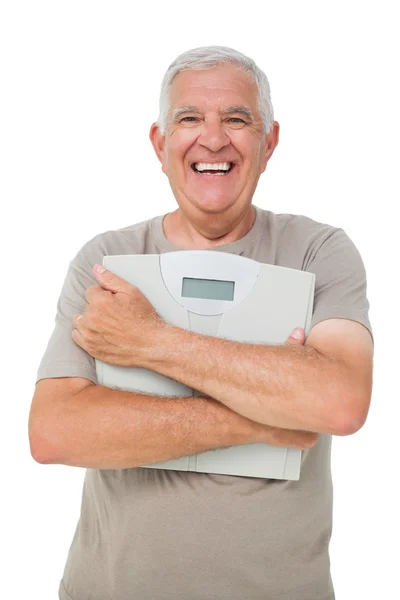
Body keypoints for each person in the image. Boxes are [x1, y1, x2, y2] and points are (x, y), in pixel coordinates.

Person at [29, 46, 374, 600]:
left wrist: (150, 340)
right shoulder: (108, 261)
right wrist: (261, 421)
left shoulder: (319, 252)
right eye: (190, 118)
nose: (213, 138)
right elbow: (54, 433)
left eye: (236, 119)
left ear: (270, 142)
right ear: (160, 144)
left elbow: (338, 401)